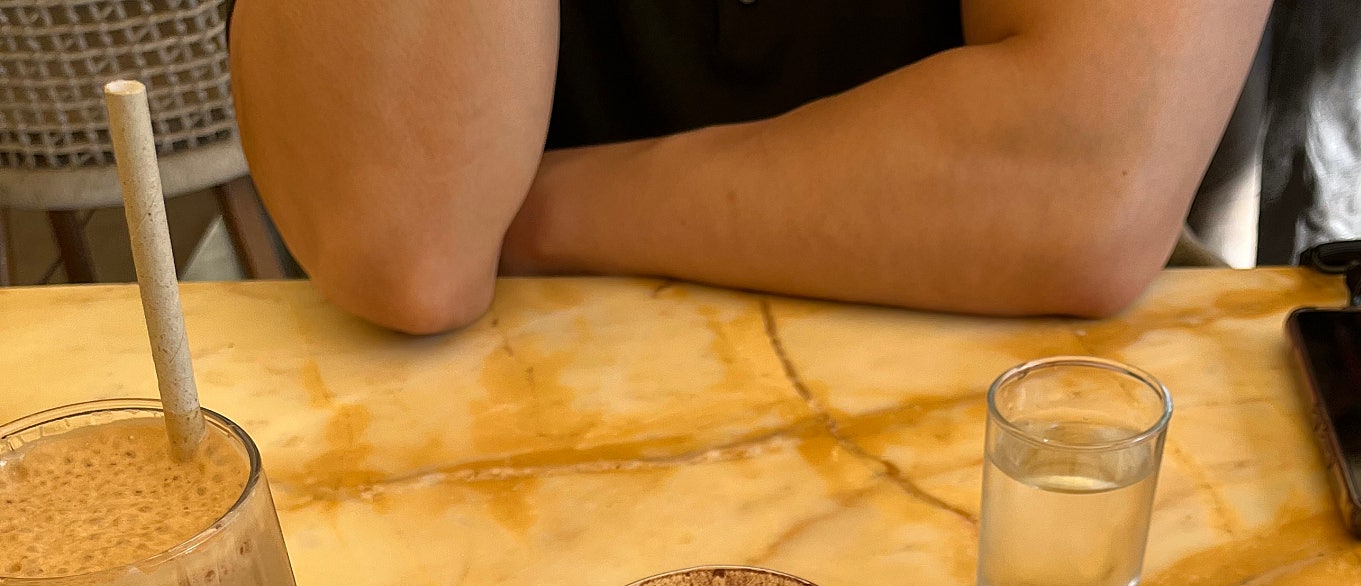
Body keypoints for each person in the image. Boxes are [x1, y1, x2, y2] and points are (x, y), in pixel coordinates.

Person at [229, 0, 1279, 335]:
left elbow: (1078, 189)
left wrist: (523, 214)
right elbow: (406, 242)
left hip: (1002, 396)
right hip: (516, 394)